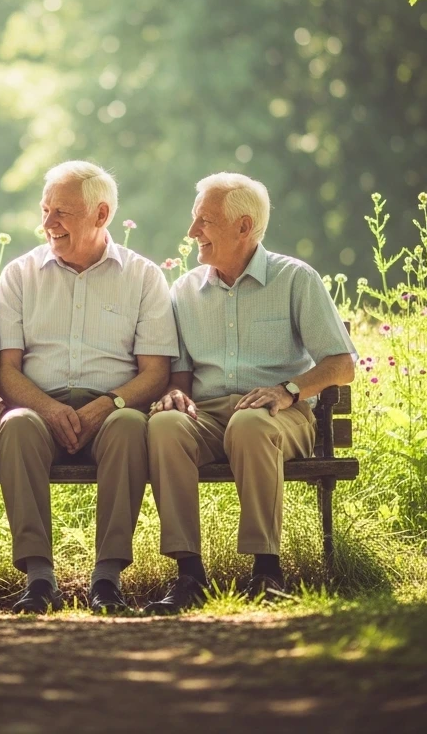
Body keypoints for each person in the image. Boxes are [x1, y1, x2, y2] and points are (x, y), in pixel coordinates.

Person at [144, 173, 356, 614]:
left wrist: (288, 390)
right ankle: (189, 574)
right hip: (208, 415)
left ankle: (266, 569)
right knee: (164, 427)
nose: (191, 233)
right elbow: (180, 374)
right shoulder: (184, 291)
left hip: (281, 414)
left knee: (251, 423)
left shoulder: (295, 280)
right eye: (193, 220)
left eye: (204, 221)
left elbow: (342, 365)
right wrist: (174, 397)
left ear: (244, 227)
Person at [0, 160, 178, 613]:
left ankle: (107, 578)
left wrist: (107, 404)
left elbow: (155, 372)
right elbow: (4, 370)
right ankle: (39, 579)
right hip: (37, 408)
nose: (48, 223)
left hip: (114, 409)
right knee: (14, 426)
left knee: (130, 427)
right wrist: (47, 409)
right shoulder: (19, 275)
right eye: (45, 210)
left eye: (62, 212)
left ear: (101, 215)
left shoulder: (143, 276)